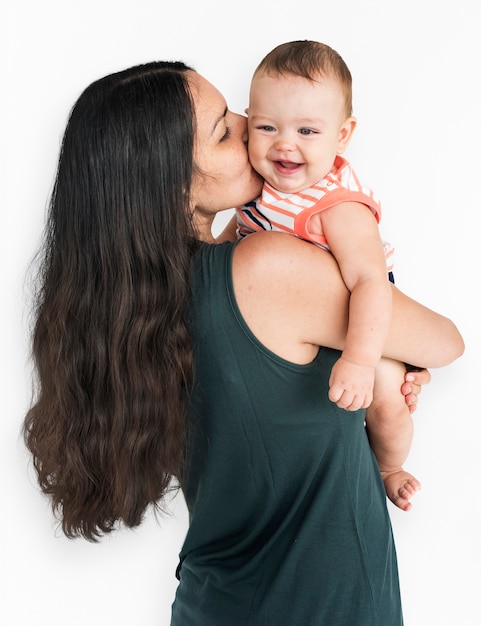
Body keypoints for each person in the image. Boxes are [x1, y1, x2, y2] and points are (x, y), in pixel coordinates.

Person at [23, 61, 464, 625]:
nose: (251, 123)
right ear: (172, 182)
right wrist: (385, 353)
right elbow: (445, 342)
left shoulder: (130, 314)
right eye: (225, 130)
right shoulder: (267, 266)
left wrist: (371, 349)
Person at [236, 40, 423, 511]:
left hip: (365, 311)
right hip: (303, 319)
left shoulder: (335, 203)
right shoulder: (256, 188)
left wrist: (361, 359)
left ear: (342, 136)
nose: (284, 143)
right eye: (266, 126)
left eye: (307, 130)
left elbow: (369, 282)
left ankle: (390, 466)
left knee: (387, 403)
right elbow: (229, 244)